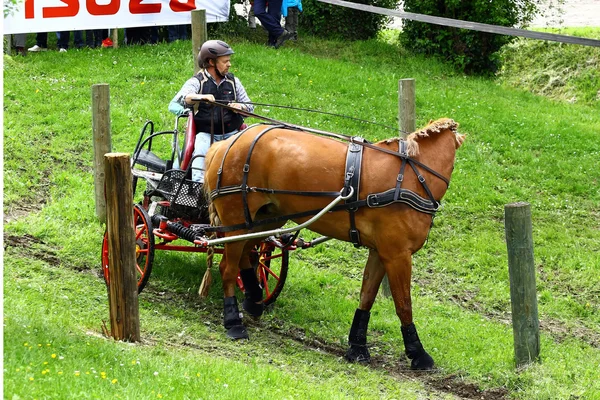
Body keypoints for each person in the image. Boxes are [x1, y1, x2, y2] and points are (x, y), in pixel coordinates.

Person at [168, 40, 254, 182]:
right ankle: (199, 188)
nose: (229, 64)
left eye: (229, 61)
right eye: (225, 61)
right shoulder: (197, 81)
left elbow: (250, 106)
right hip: (206, 135)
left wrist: (241, 107)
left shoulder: (234, 82)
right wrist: (201, 97)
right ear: (211, 62)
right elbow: (184, 98)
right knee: (200, 154)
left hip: (233, 134)